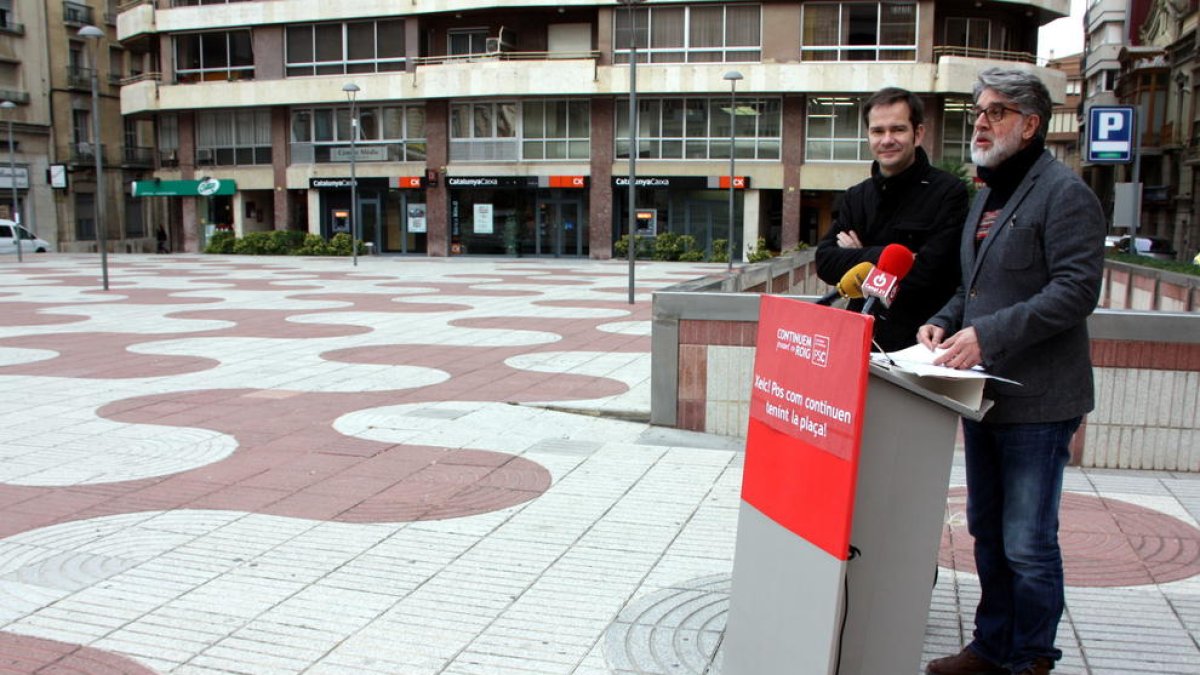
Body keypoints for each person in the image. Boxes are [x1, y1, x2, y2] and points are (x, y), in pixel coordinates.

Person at [918, 68, 1105, 675]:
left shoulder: (1065, 193)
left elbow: (1076, 291)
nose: (980, 120)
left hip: (1040, 401)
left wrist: (988, 335)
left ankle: (1031, 657)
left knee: (1027, 541)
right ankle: (991, 646)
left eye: (996, 112)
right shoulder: (987, 194)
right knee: (987, 532)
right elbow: (973, 287)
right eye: (978, 109)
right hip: (985, 398)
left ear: (1030, 125)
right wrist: (944, 321)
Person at [816, 87, 968, 351]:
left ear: (917, 133)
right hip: (859, 344)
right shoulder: (856, 196)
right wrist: (887, 257)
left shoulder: (948, 193)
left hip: (919, 347)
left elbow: (932, 276)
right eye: (877, 131)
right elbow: (825, 262)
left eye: (897, 129)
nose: (887, 140)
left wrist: (858, 257)